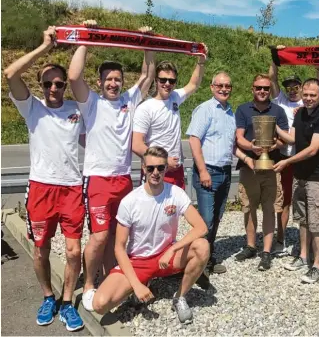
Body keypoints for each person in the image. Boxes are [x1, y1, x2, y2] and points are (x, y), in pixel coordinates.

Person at [68, 20, 156, 311]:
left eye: (117, 79)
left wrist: (148, 43)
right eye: (108, 79)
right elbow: (73, 77)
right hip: (98, 180)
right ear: (100, 81)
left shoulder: (129, 100)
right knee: (99, 235)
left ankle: (108, 279)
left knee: (118, 235)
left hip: (123, 179)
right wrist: (85, 38)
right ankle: (90, 284)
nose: (114, 83)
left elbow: (148, 74)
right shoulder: (91, 102)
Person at [4, 26, 85, 331]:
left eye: (59, 84)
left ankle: (66, 302)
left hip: (72, 188)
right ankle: (48, 296)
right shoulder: (32, 107)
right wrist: (44, 48)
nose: (54, 88)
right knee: (41, 248)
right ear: (40, 85)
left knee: (75, 250)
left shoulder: (77, 109)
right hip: (41, 188)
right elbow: (11, 73)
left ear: (65, 86)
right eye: (48, 83)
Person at [89, 146, 209, 325]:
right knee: (99, 304)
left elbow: (201, 227)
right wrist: (136, 285)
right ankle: (141, 285)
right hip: (138, 261)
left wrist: (173, 249)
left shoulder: (175, 193)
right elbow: (119, 248)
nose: (155, 172)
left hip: (167, 256)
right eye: (151, 168)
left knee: (202, 246)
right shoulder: (130, 201)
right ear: (143, 168)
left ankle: (180, 297)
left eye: (160, 168)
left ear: (165, 169)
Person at [274, 78, 319, 284]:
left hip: (317, 177)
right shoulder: (300, 114)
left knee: (316, 223)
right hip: (300, 175)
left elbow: (312, 149)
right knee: (302, 220)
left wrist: (287, 161)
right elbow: (292, 139)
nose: (308, 98)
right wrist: (272, 127)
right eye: (306, 94)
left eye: (312, 95)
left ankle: (317, 265)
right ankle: (303, 256)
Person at [269, 48, 319, 256]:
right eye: (289, 87)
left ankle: (311, 245)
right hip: (285, 156)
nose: (292, 90)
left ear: (302, 89)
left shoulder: (307, 101)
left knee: (307, 203)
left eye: (296, 87)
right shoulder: (281, 100)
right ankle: (281, 239)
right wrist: (275, 57)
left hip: (304, 159)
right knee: (283, 201)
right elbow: (271, 78)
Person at [234, 74, 288, 271]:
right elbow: (238, 137)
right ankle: (250, 245)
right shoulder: (242, 110)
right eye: (259, 88)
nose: (262, 91)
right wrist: (252, 147)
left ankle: (266, 251)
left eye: (266, 88)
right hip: (249, 167)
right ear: (252, 89)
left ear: (270, 90)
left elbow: (284, 139)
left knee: (269, 208)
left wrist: (274, 145)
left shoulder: (278, 111)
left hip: (272, 166)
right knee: (248, 207)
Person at [132, 51, 207, 189]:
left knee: (176, 210)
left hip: (176, 169)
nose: (167, 84)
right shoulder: (145, 108)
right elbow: (136, 145)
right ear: (156, 80)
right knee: (154, 210)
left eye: (171, 81)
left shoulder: (175, 97)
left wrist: (201, 61)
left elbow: (193, 84)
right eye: (163, 80)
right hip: (156, 169)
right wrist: (164, 161)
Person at [186, 71, 236, 275]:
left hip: (225, 172)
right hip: (208, 173)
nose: (224, 89)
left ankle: (207, 257)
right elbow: (194, 140)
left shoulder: (229, 112)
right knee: (204, 222)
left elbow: (231, 145)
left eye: (227, 86)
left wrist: (251, 155)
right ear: (212, 87)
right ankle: (197, 264)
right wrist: (203, 170)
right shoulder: (205, 110)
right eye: (220, 85)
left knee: (216, 218)